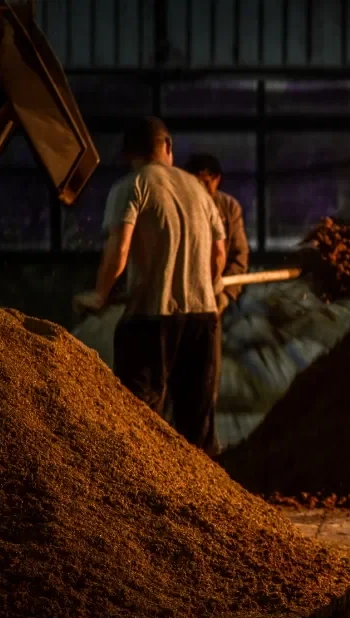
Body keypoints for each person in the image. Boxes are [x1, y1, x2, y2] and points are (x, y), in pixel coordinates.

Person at [73, 116, 227, 455]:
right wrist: (210, 284)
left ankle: (139, 502)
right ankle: (204, 501)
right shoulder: (199, 191)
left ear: (130, 155)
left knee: (140, 425)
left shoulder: (132, 186)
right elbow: (219, 251)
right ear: (167, 146)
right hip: (203, 318)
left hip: (150, 318)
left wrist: (100, 294)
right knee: (197, 428)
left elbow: (121, 248)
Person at [183, 153, 249, 315]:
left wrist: (225, 294)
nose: (202, 190)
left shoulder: (229, 207)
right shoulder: (181, 207)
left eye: (206, 183)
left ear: (217, 179)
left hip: (217, 292)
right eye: (196, 184)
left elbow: (240, 255)